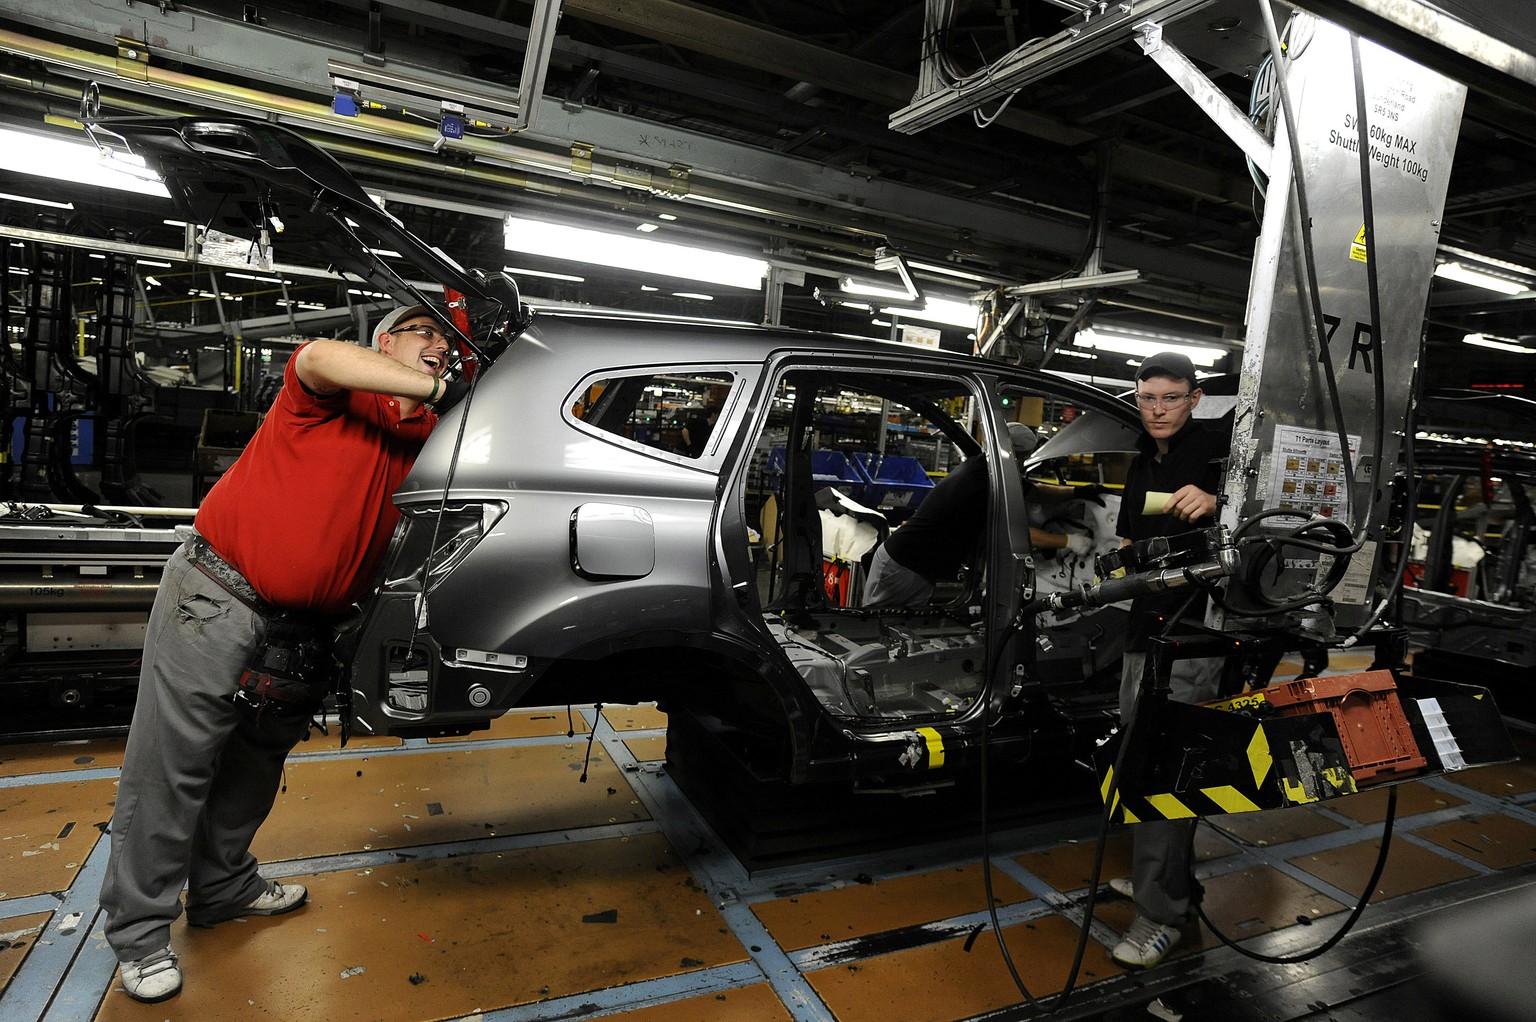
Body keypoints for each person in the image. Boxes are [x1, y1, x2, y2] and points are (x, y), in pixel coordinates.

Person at [99, 303, 465, 1003]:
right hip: (218, 596)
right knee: (172, 768)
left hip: (302, 632)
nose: (440, 350)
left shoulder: (425, 436)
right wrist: (443, 389)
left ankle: (223, 887)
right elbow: (317, 354)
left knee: (253, 765)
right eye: (425, 334)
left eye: (449, 345)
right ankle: (140, 935)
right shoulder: (334, 390)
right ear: (384, 342)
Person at [1108, 350, 1230, 969]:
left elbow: (1283, 498)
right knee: (1138, 757)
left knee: (1168, 768)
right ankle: (1163, 880)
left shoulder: (1221, 447)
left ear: (1196, 396)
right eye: (1147, 397)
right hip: (1143, 629)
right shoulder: (1141, 456)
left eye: (1171, 397)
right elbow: (1131, 537)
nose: (1157, 409)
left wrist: (1219, 501)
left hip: (1191, 635)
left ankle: (1163, 914)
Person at [862, 422, 1101, 607]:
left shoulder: (987, 468)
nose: (1024, 463)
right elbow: (1014, 534)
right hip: (902, 566)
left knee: (904, 632)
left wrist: (1079, 491)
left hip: (922, 569)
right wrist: (1070, 541)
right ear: (1014, 456)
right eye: (1024, 457)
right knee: (874, 628)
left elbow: (1034, 491)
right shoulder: (982, 484)